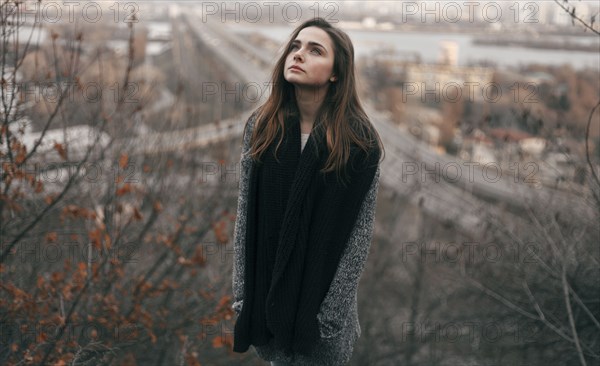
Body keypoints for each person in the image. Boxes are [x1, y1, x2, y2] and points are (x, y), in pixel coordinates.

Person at [231, 17, 385, 365]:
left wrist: (328, 319)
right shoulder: (262, 126)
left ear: (335, 73)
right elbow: (245, 216)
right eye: (295, 46)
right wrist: (242, 299)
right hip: (266, 311)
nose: (298, 54)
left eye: (315, 50)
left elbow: (358, 239)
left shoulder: (359, 143)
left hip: (323, 328)